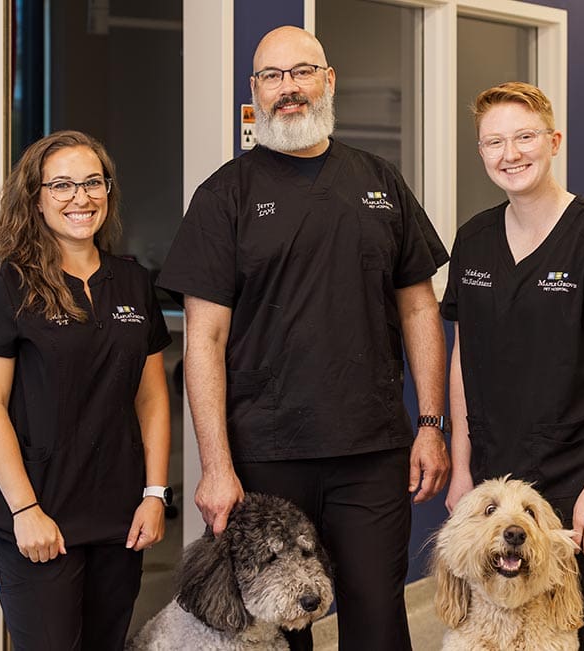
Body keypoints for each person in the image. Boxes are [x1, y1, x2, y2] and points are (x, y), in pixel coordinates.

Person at [157, 25, 450, 651]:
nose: (288, 88)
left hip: (371, 451)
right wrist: (214, 466)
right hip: (265, 455)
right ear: (255, 92)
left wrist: (430, 422)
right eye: (272, 76)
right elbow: (203, 340)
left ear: (328, 80)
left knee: (376, 611)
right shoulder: (224, 196)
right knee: (278, 628)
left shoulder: (381, 182)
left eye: (301, 72)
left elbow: (420, 308)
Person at [442, 81, 584, 649]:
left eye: (524, 137)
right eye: (494, 142)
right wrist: (463, 472)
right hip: (506, 487)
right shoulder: (474, 239)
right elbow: (465, 358)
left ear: (554, 140)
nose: (510, 154)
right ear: (481, 151)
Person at [0, 130, 172, 650]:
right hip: (40, 515)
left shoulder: (132, 282)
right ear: (35, 197)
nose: (81, 197)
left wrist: (154, 494)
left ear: (108, 191)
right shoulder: (7, 284)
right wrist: (24, 510)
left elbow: (151, 399)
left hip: (120, 515)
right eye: (62, 185)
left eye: (92, 183)